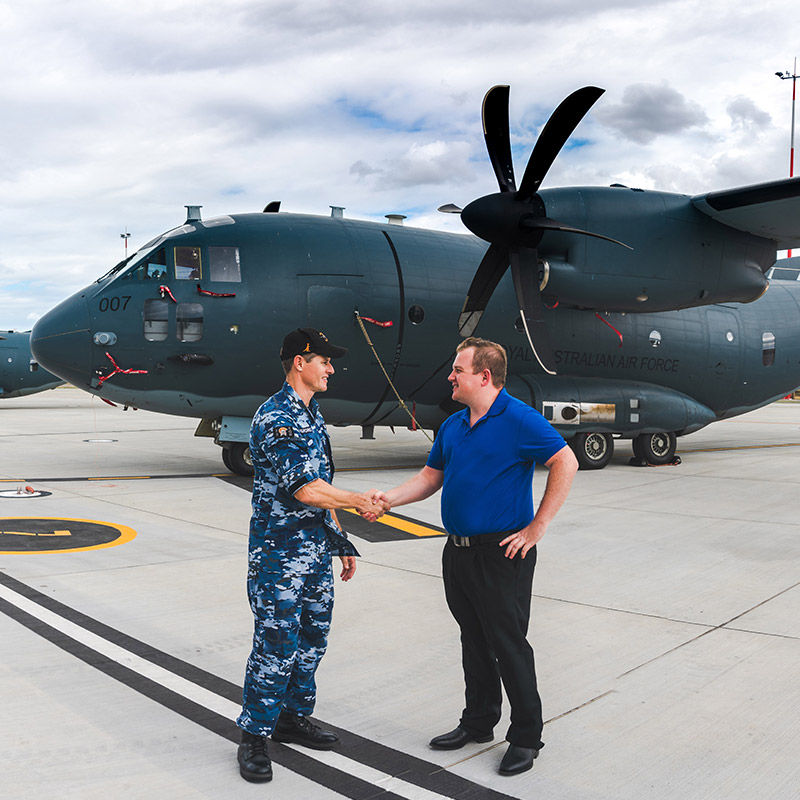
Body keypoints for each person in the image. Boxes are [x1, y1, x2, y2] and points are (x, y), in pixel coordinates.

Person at [380, 336, 578, 776]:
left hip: (503, 553)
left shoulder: (519, 419)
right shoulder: (453, 425)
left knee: (508, 646)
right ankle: (478, 722)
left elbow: (565, 462)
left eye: (458, 370)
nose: (450, 376)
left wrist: (536, 527)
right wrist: (387, 500)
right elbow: (431, 478)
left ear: (483, 377)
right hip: (459, 552)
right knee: (473, 640)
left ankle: (526, 737)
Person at [236, 327, 387, 783]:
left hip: (315, 551)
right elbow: (306, 488)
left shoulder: (311, 413)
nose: (331, 368)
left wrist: (339, 540)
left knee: (312, 639)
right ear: (300, 362)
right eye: (324, 360)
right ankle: (255, 737)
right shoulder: (277, 418)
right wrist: (360, 501)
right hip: (279, 556)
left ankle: (292, 719)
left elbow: (319, 488)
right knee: (276, 645)